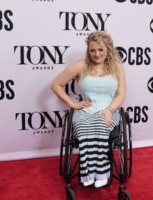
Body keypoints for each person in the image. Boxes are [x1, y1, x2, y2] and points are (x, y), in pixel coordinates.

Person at [51, 31, 126, 188]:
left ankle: (101, 173)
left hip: (109, 110)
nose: (97, 54)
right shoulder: (81, 65)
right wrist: (73, 104)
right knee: (84, 128)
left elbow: (120, 94)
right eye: (92, 50)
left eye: (100, 50)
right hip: (85, 110)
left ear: (108, 49)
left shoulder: (116, 67)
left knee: (100, 126)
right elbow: (56, 85)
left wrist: (109, 110)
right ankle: (89, 173)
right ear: (88, 50)